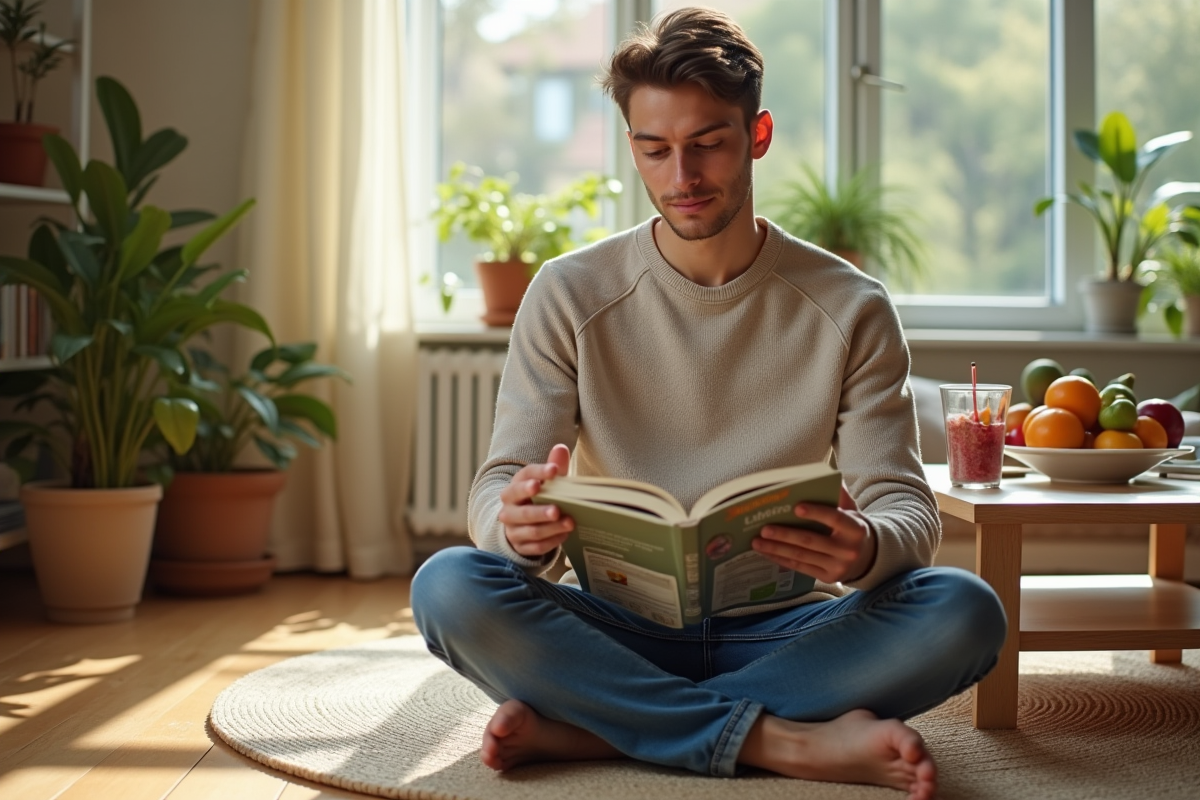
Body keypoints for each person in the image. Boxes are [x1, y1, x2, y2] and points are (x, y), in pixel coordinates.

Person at [412, 8, 1006, 799]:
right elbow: (499, 486)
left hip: (790, 632)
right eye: (655, 149)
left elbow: (906, 510)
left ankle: (600, 726)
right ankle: (782, 741)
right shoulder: (567, 292)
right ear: (632, 146)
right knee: (448, 586)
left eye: (707, 144)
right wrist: (513, 525)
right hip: (617, 627)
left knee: (965, 610)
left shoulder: (851, 304)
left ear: (757, 135)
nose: (681, 177)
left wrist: (866, 548)